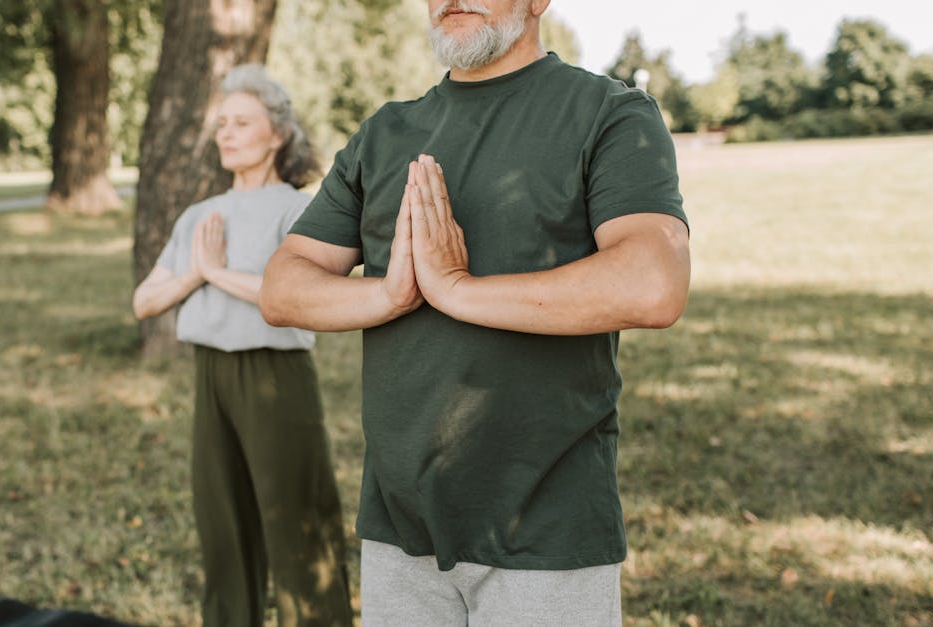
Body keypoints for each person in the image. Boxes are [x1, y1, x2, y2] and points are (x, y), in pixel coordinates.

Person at [258, 1, 691, 625]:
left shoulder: (609, 113)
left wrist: (458, 291)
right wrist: (388, 294)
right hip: (398, 528)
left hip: (546, 532)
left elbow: (654, 283)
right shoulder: (384, 133)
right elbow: (282, 287)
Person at [132, 65, 353, 627]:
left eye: (241, 122)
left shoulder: (299, 210)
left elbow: (298, 296)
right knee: (221, 522)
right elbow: (145, 301)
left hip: (275, 377)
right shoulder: (198, 215)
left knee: (297, 521)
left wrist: (214, 272)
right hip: (211, 377)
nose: (225, 133)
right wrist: (197, 273)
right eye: (222, 123)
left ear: (277, 133)